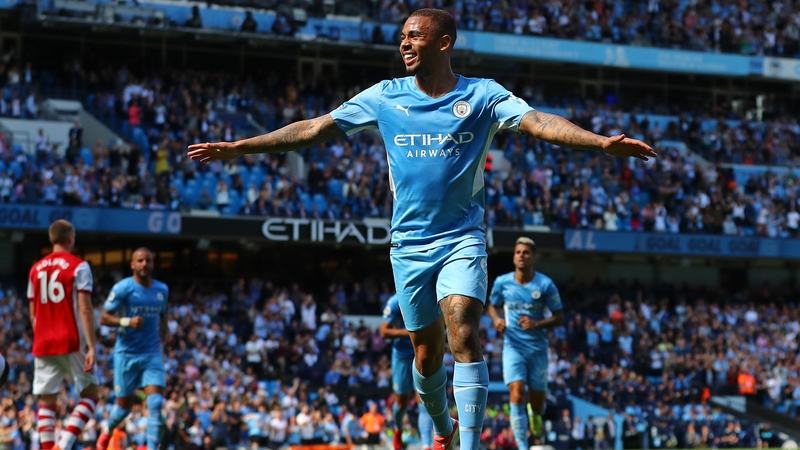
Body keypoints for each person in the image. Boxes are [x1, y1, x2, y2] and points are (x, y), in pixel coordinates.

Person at [187, 9, 655, 449]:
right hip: (408, 244)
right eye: (404, 35)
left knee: (463, 331)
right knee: (427, 356)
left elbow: (538, 122)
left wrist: (599, 143)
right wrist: (241, 147)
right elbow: (315, 128)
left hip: (462, 238)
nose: (404, 43)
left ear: (444, 43)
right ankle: (442, 427)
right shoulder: (384, 95)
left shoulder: (483, 96)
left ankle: (470, 444)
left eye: (415, 35)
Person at [26, 219, 99, 450]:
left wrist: (41, 335)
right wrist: (92, 345)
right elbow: (85, 308)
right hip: (70, 339)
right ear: (70, 239)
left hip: (43, 340)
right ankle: (64, 445)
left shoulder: (35, 269)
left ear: (51, 239)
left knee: (46, 400)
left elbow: (32, 313)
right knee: (91, 395)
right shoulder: (79, 266)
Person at [487, 237, 563, 450]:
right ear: (513, 257)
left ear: (534, 258)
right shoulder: (502, 282)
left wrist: (537, 323)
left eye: (526, 252)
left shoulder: (545, 284)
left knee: (537, 403)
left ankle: (535, 416)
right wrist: (497, 320)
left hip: (538, 350)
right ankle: (522, 445)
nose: (521, 255)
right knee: (517, 393)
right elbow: (492, 306)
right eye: (518, 252)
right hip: (513, 348)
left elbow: (560, 317)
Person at [96, 248, 169, 450]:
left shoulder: (162, 289)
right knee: (123, 409)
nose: (144, 264)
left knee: (154, 404)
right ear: (132, 264)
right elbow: (103, 317)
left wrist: (165, 328)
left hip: (152, 353)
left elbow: (163, 313)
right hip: (126, 355)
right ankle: (107, 431)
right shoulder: (123, 288)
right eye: (140, 260)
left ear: (153, 264)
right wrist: (127, 321)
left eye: (148, 260)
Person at [380, 294, 433, 450]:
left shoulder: (428, 296)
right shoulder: (394, 302)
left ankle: (426, 444)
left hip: (421, 353)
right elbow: (384, 332)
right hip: (401, 356)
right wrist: (409, 333)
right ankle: (398, 429)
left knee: (423, 398)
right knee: (401, 403)